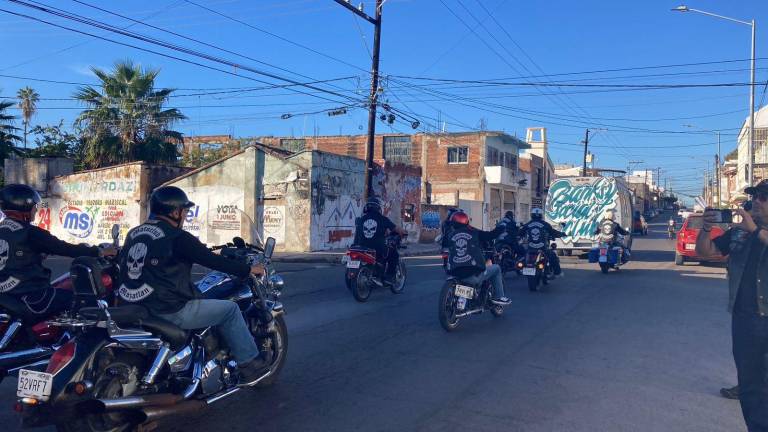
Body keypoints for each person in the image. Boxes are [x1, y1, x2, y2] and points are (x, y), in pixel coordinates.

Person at [117, 186, 268, 386]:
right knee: (230, 310)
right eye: (185, 211)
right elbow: (212, 260)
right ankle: (250, 366)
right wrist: (248, 270)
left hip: (134, 306)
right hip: (168, 309)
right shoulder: (177, 237)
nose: (186, 216)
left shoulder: (134, 233)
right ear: (175, 212)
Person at [696, 180, 768, 430]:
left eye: (763, 197)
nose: (756, 201)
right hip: (745, 319)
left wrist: (755, 230)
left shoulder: (753, 231)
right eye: (755, 196)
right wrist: (706, 229)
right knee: (749, 386)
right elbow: (706, 252)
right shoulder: (739, 233)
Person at [0, 184, 117, 317]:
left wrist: (35, 255)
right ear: (24, 206)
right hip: (31, 294)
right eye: (34, 206)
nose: (36, 210)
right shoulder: (31, 233)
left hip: (7, 295)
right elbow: (66, 249)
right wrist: (100, 251)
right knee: (86, 303)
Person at [445, 210, 510, 305]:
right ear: (466, 221)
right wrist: (501, 227)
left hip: (454, 272)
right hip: (471, 274)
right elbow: (490, 235)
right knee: (496, 268)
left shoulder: (449, 236)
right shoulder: (474, 233)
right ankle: (499, 297)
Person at [352, 196, 406, 283]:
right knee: (394, 254)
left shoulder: (361, 220)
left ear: (366, 208)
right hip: (377, 248)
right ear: (378, 208)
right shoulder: (383, 219)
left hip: (361, 247)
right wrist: (404, 232)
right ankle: (389, 277)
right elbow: (396, 229)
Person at [520, 208, 565, 277]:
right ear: (541, 215)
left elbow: (520, 233)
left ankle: (521, 268)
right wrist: (561, 234)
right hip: (543, 248)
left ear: (532, 215)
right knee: (553, 255)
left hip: (530, 248)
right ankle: (557, 272)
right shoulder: (545, 224)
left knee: (522, 254)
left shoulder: (527, 224)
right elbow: (553, 232)